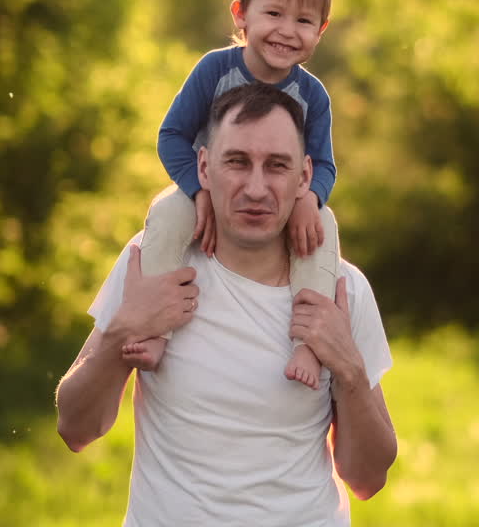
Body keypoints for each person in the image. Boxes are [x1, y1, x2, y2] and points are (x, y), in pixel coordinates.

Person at [55, 83, 397, 526]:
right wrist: (123, 330)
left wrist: (348, 367)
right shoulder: (155, 263)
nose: (256, 188)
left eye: (277, 166)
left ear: (305, 177)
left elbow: (368, 478)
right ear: (203, 165)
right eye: (237, 162)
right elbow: (76, 429)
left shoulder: (341, 289)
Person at [128, 0, 341, 390]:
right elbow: (172, 137)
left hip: (280, 202)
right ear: (241, 14)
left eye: (303, 21)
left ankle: (309, 341)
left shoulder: (313, 95)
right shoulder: (214, 70)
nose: (287, 30)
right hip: (209, 191)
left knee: (324, 230)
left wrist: (311, 198)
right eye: (274, 14)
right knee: (165, 216)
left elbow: (322, 163)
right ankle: (155, 327)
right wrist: (197, 190)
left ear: (320, 30)